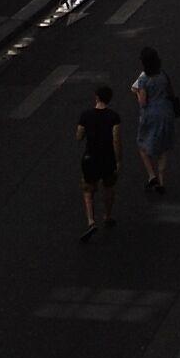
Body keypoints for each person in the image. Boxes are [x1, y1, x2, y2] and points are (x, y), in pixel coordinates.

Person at [132, 44, 180, 195]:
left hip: (150, 114)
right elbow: (171, 92)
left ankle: (151, 175)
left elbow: (143, 102)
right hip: (166, 112)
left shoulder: (144, 79)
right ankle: (161, 179)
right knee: (164, 147)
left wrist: (136, 93)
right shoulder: (163, 75)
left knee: (142, 144)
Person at [76, 81, 121, 239]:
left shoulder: (86, 115)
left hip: (90, 157)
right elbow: (116, 140)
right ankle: (107, 216)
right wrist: (118, 160)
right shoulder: (113, 117)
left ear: (96, 97)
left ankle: (90, 220)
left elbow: (79, 136)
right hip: (107, 157)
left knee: (88, 189)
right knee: (108, 187)